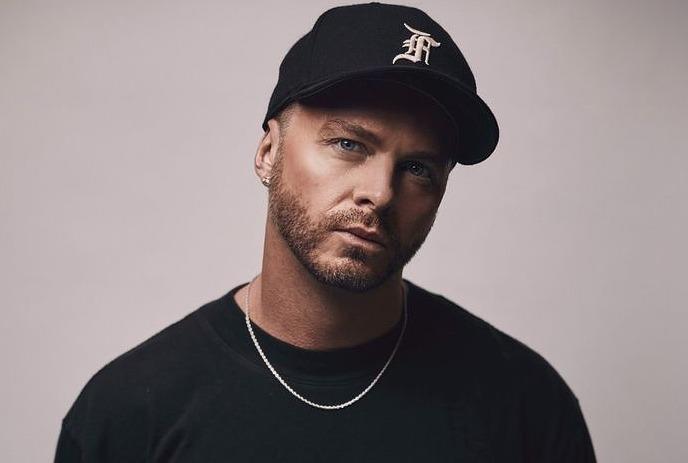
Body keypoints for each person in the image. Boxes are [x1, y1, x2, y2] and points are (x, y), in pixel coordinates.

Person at [54, 3, 597, 462]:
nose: (380, 193)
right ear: (269, 152)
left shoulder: (526, 406)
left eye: (418, 168)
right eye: (348, 145)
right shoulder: (129, 413)